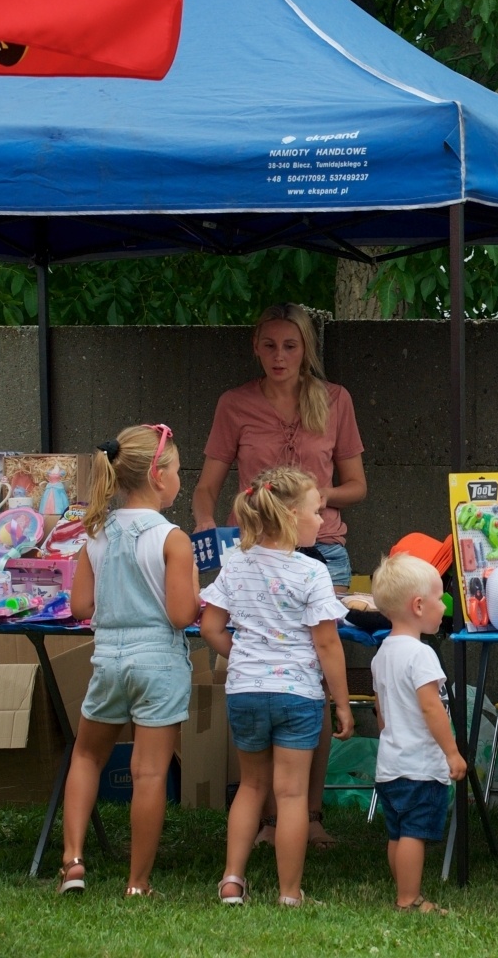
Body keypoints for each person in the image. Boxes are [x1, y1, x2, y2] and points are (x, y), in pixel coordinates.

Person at [193, 302, 365, 848]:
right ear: (255, 347)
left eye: (290, 346)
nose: (279, 356)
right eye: (268, 345)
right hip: (254, 553)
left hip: (322, 550)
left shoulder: (335, 400)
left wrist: (308, 501)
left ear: (306, 348)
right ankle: (269, 818)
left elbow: (358, 485)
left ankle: (308, 815)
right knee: (265, 680)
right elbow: (205, 489)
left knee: (314, 683)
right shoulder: (234, 404)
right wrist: (209, 536)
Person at [200, 466, 354, 907]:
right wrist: (342, 703)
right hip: (298, 696)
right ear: (289, 516)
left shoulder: (235, 564)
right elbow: (327, 643)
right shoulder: (312, 572)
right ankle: (289, 893)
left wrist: (246, 657)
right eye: (316, 511)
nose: (321, 519)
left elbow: (210, 628)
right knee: (291, 795)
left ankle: (232, 881)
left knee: (251, 787)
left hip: (244, 692)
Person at [56, 424, 199, 897]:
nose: (180, 480)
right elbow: (181, 614)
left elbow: (81, 607)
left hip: (109, 660)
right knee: (149, 772)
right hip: (158, 662)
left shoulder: (95, 532)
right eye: (177, 471)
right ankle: (137, 882)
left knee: (86, 755)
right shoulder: (172, 538)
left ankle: (73, 860)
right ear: (159, 477)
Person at [369, 553, 467, 915]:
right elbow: (432, 708)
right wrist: (452, 752)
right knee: (414, 833)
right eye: (440, 597)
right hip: (419, 766)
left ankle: (404, 889)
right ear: (418, 605)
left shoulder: (382, 654)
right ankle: (408, 899)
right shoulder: (421, 655)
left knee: (397, 832)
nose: (445, 605)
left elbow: (381, 710)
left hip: (390, 764)